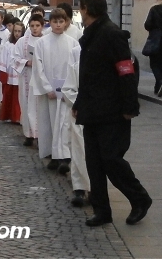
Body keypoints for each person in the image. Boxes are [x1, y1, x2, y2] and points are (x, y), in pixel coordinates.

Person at [73, 0, 151, 227]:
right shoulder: (91, 33)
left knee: (111, 160)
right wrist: (79, 103)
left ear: (88, 9)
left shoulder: (111, 34)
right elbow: (88, 76)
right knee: (94, 164)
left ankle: (140, 198)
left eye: (81, 7)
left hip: (113, 111)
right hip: (92, 110)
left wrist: (130, 106)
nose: (79, 11)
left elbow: (126, 72)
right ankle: (102, 210)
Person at [31, 8, 79, 173]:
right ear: (49, 23)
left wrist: (71, 87)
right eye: (55, 22)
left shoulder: (72, 43)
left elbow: (75, 67)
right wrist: (47, 88)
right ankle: (53, 155)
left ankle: (65, 156)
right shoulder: (42, 43)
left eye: (61, 22)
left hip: (67, 90)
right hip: (50, 91)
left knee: (64, 124)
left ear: (66, 23)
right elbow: (38, 67)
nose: (58, 25)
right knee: (50, 123)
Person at [61, 44, 91, 208]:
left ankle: (95, 189)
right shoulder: (77, 65)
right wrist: (78, 105)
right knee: (79, 151)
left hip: (100, 115)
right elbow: (68, 88)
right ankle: (79, 187)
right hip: (80, 113)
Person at [13, 14, 44, 147]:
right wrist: (26, 62)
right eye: (32, 26)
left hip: (41, 78)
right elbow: (14, 58)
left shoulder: (46, 40)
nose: (35, 29)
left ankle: (41, 135)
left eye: (37, 26)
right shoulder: (22, 41)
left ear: (42, 26)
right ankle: (29, 134)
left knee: (39, 107)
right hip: (26, 75)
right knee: (26, 105)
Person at [0, 22, 24, 123]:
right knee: (9, 96)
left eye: (19, 31)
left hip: (21, 74)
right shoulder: (8, 45)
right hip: (10, 74)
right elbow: (3, 58)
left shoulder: (23, 44)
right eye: (15, 31)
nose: (17, 33)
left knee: (19, 97)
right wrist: (3, 72)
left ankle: (18, 117)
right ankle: (9, 116)